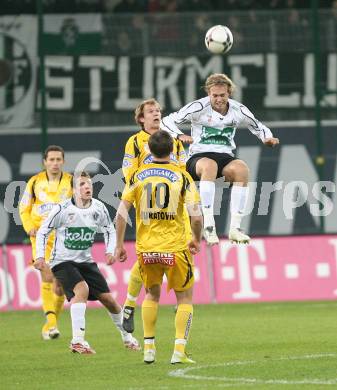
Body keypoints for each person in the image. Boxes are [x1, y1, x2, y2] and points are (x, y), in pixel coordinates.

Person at [114, 130, 203, 364]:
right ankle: (178, 351)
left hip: (147, 249)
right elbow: (196, 216)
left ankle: (149, 348)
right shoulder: (182, 177)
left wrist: (119, 245)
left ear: (149, 150)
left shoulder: (137, 176)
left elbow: (121, 214)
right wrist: (196, 238)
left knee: (151, 295)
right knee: (184, 299)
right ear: (173, 150)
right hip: (176, 247)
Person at [161, 73, 280, 245]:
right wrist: (179, 135)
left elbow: (258, 126)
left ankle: (235, 229)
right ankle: (209, 227)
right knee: (209, 166)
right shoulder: (198, 107)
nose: (218, 99)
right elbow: (167, 121)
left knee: (241, 169)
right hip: (198, 158)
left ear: (229, 93)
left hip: (224, 158)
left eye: (222, 95)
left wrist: (266, 138)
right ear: (208, 93)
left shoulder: (238, 109)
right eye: (214, 95)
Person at [34, 171, 141, 354]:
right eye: (82, 184)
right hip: (62, 261)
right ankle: (77, 341)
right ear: (74, 189)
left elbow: (109, 229)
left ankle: (127, 338)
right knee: (81, 289)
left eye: (89, 184)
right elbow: (43, 231)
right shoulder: (62, 209)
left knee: (109, 300)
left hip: (86, 261)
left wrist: (110, 251)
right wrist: (40, 256)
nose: (87, 187)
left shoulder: (98, 208)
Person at [121, 98, 188, 335]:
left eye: (158, 110)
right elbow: (127, 171)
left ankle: (177, 296)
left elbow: (182, 168)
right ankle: (129, 303)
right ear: (141, 118)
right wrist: (144, 183)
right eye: (150, 111)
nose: (156, 114)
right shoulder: (135, 142)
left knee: (179, 249)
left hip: (174, 203)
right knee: (148, 254)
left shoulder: (172, 140)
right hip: (148, 202)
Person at [19, 145, 72, 340]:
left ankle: (49, 325)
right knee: (47, 277)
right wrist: (29, 227)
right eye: (52, 160)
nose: (55, 163)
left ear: (63, 162)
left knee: (59, 286)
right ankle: (52, 324)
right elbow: (24, 208)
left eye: (58, 159)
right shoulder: (34, 182)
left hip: (63, 238)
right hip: (41, 237)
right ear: (45, 162)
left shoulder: (71, 182)